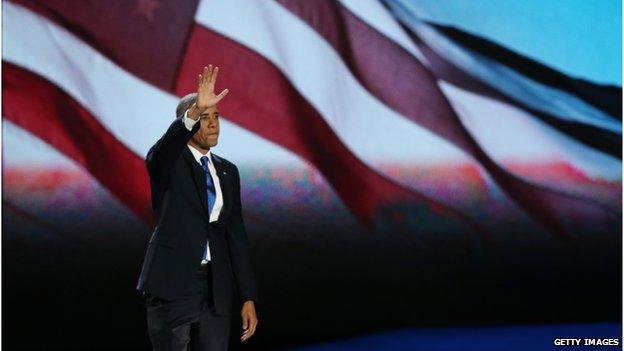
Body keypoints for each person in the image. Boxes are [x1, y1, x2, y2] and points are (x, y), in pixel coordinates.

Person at [136, 65, 259, 350]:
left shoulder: (228, 171)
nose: (213, 123)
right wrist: (192, 113)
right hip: (172, 286)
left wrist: (248, 296)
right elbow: (162, 152)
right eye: (204, 117)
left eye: (216, 116)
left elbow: (235, 237)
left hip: (215, 291)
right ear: (189, 123)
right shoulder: (169, 163)